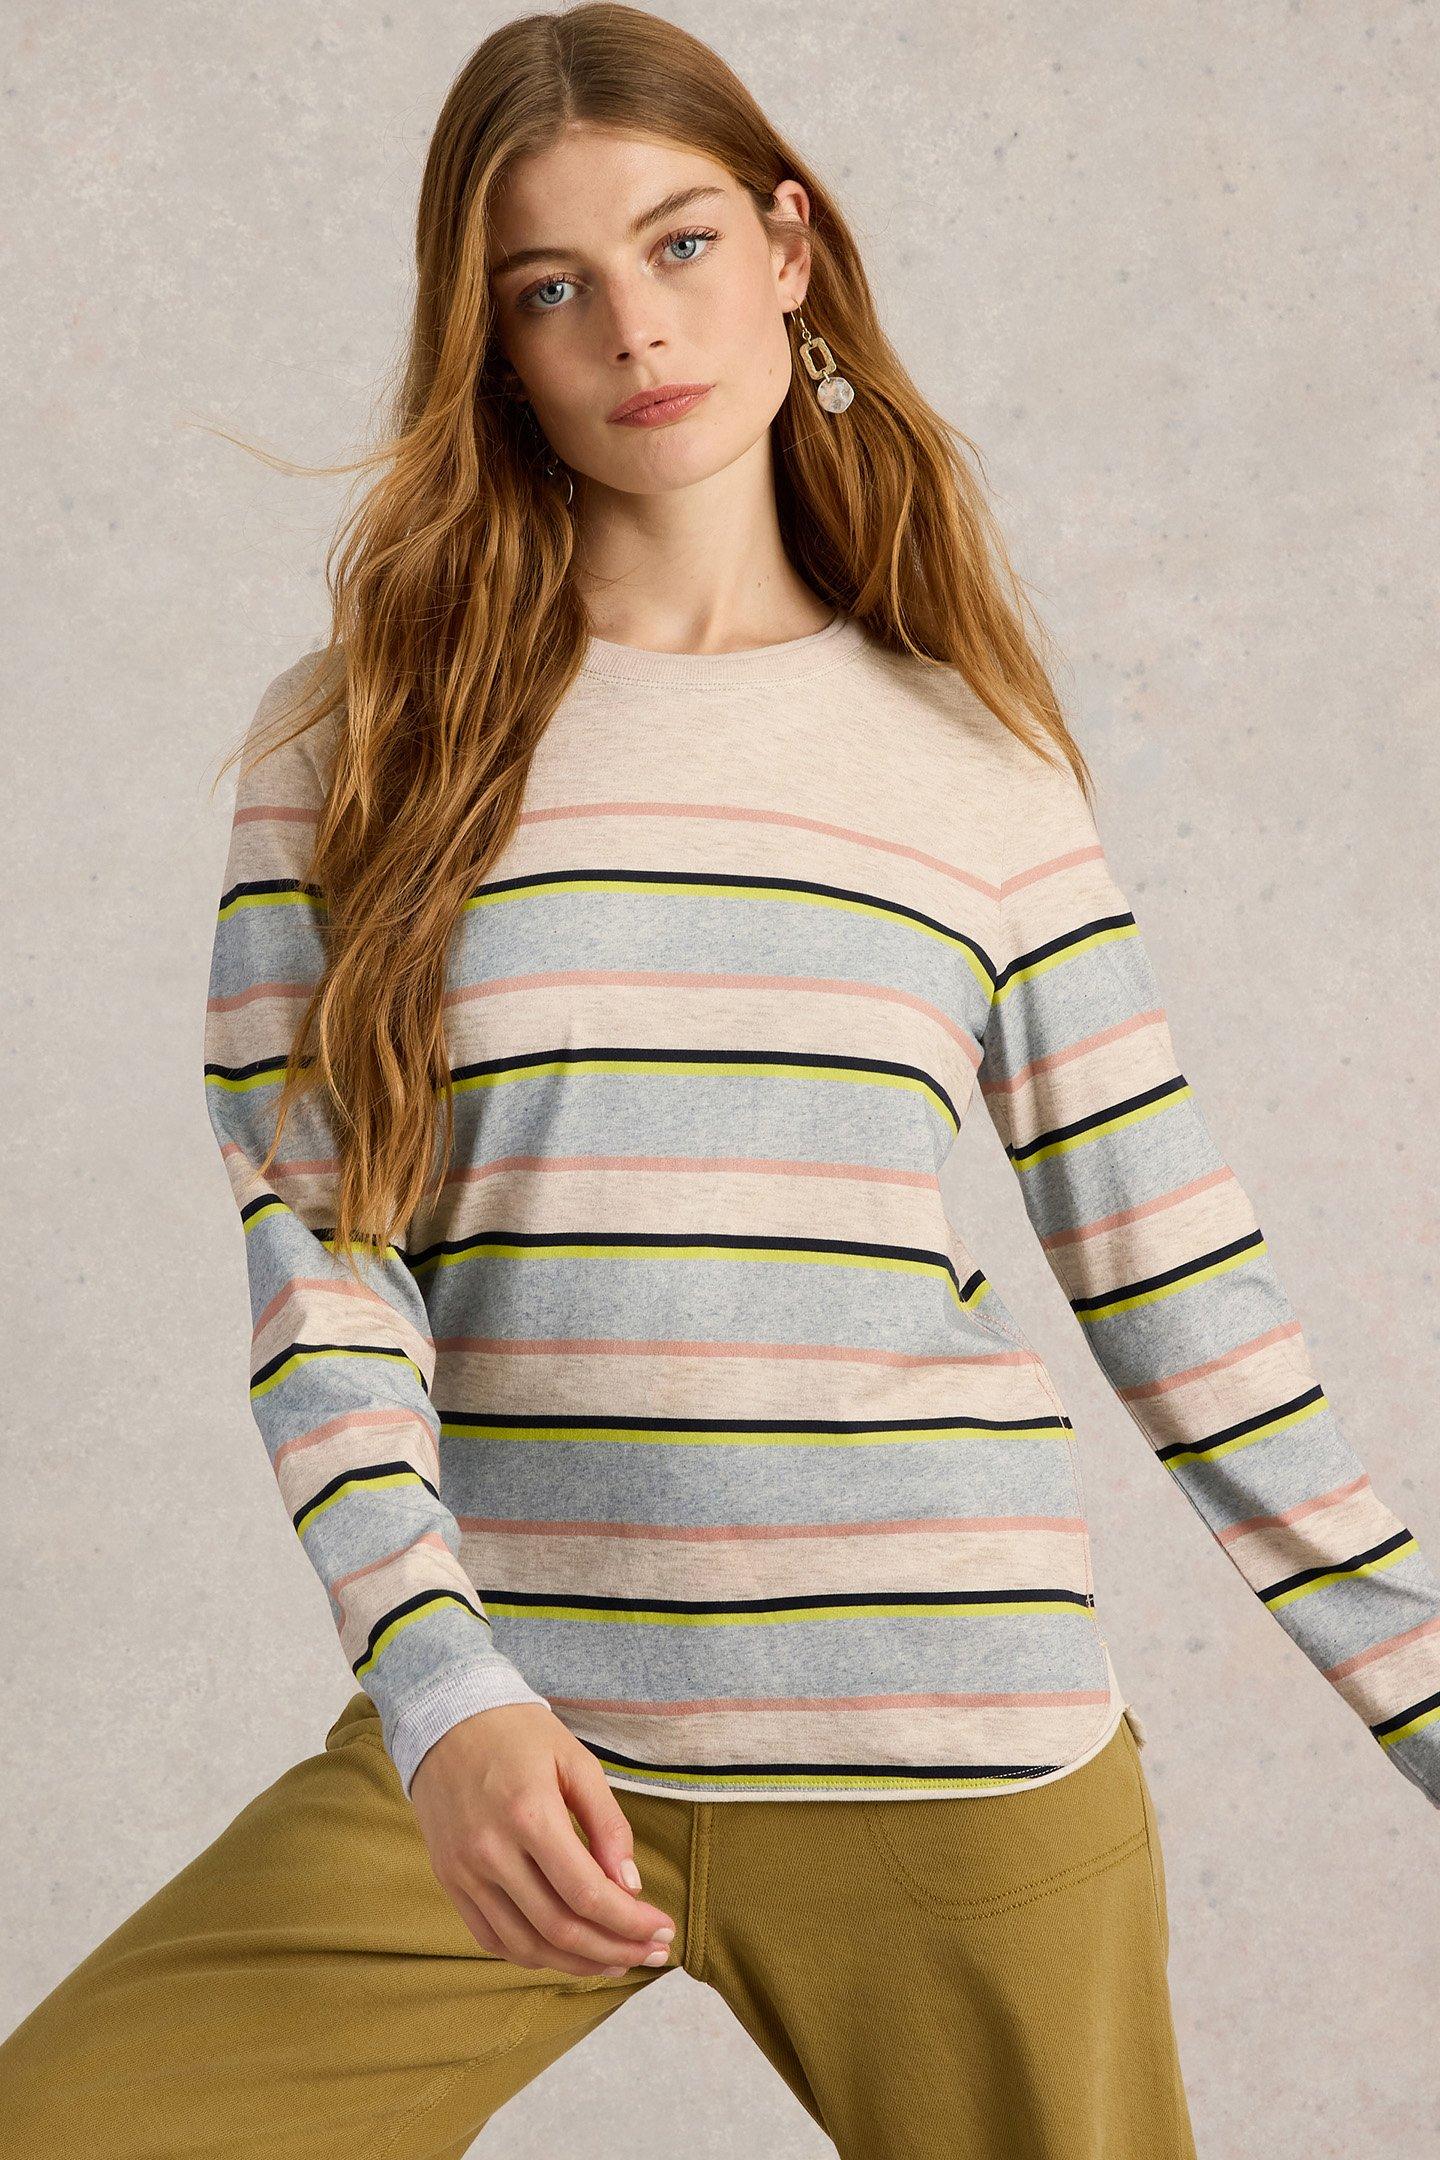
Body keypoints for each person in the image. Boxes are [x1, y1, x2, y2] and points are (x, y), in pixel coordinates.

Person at [4, 7, 1437, 2154]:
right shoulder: (356, 742)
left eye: (678, 245)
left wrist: (1420, 1692)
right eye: (550, 287)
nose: (634, 329)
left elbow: (1179, 1286)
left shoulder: (979, 770)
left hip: (954, 1744)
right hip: (522, 1758)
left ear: (788, 247)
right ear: (491, 344)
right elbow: (321, 1266)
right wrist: (440, 1691)